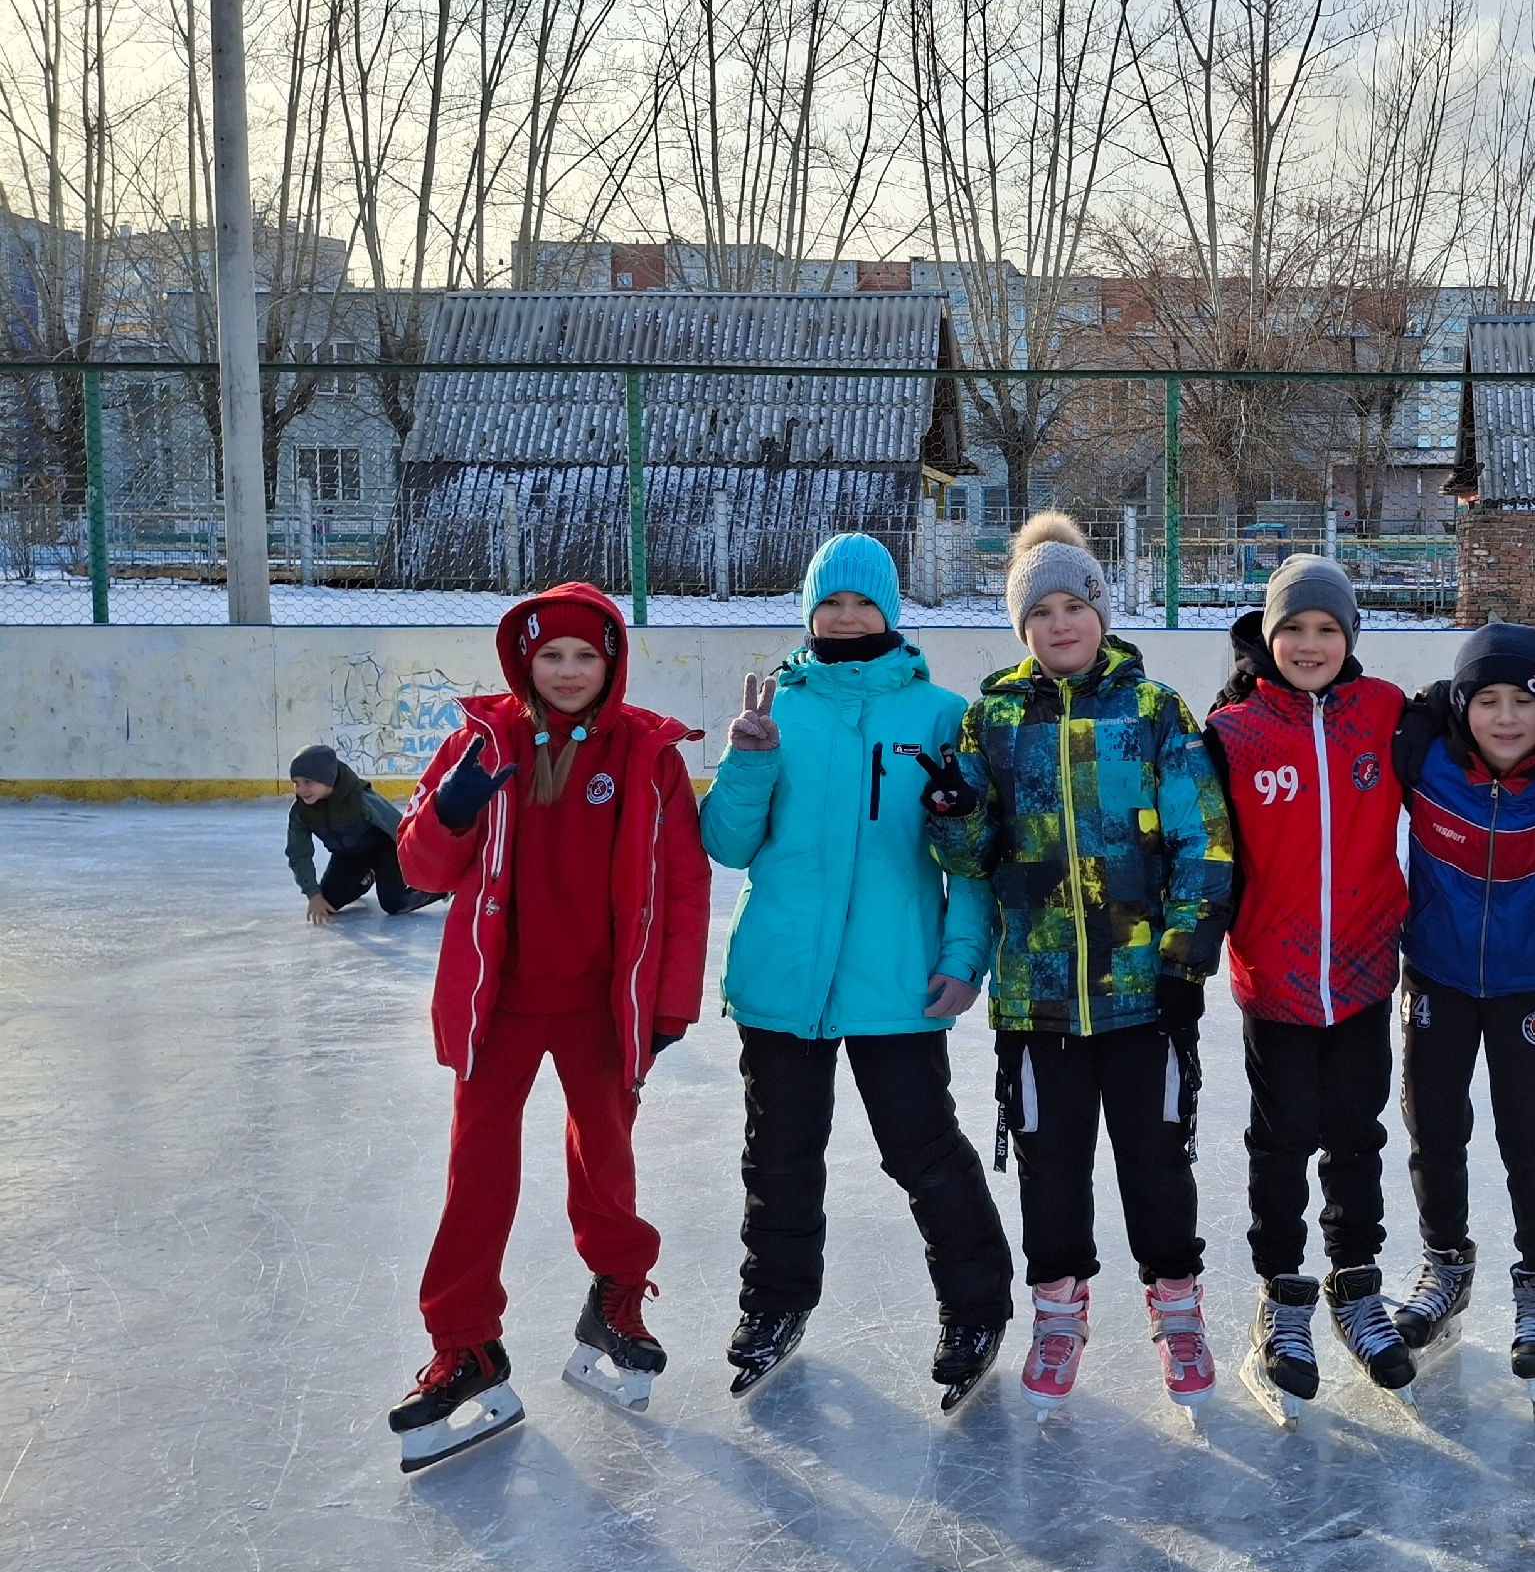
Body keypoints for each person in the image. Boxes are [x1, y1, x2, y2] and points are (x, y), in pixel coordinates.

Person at [382, 582, 712, 1472]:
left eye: (586, 656)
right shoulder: (480, 742)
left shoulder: (647, 753)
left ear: (612, 663)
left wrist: (671, 1001)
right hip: (500, 1001)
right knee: (476, 1170)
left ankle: (614, 1294)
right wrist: (449, 811)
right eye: (552, 656)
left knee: (604, 1160)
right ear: (524, 661)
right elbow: (417, 865)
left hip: (604, 1003)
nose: (568, 672)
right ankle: (466, 1343)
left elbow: (684, 884)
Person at [922, 513, 1234, 1424]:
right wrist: (952, 809)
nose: (1061, 625)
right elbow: (973, 857)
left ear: (1102, 610)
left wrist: (1186, 956)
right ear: (1022, 629)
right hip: (1037, 997)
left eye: (1075, 605)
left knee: (1156, 1165)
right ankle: (1058, 1315)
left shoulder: (1152, 710)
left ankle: (1177, 1310)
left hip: (1146, 995)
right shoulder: (994, 719)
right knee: (1050, 1171)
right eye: (1041, 612)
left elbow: (1202, 839)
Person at [700, 534, 1012, 1410]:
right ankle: (773, 1304)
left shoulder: (940, 714)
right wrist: (749, 759)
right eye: (830, 603)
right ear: (809, 613)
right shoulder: (776, 713)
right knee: (780, 1156)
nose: (845, 617)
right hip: (781, 976)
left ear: (890, 612)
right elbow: (727, 845)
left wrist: (962, 958)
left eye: (862, 603)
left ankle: (976, 1307)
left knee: (923, 1151)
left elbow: (973, 858)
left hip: (896, 979)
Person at [1201, 555, 1414, 1424]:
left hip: (1364, 970)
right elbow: (1202, 846)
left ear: (1350, 636)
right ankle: (1283, 1294)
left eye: (1328, 628)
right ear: (1267, 634)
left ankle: (1356, 1286)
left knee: (1357, 1133)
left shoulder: (1389, 713)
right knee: (1282, 1137)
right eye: (1293, 627)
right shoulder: (1235, 730)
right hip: (1276, 976)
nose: (1311, 643)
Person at [1388, 622, 1535, 1414]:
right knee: (1433, 1126)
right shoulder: (1426, 756)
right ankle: (1446, 1264)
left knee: (1531, 1135)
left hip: (1531, 982)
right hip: (1438, 972)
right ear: (1462, 705)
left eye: (1524, 701)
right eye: (1487, 701)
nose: (1505, 718)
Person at [284, 743, 440, 922]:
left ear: (327, 778)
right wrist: (313, 894)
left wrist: (428, 865)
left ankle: (441, 889)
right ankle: (366, 877)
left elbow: (402, 831)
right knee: (328, 903)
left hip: (385, 852)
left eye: (308, 782)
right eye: (296, 782)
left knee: (393, 904)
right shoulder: (300, 811)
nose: (301, 789)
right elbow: (298, 853)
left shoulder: (362, 800)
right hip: (348, 856)